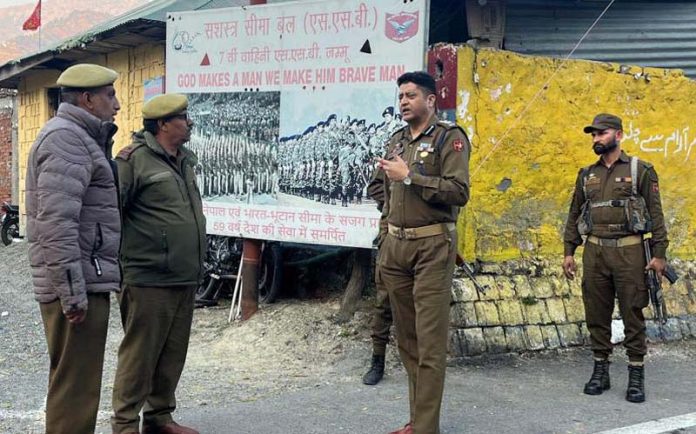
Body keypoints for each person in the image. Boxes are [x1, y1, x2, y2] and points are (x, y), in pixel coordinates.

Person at [25, 63, 121, 434]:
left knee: (75, 385)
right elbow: (57, 223)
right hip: (78, 281)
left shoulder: (80, 138)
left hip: (84, 276)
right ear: (87, 99)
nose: (117, 105)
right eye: (109, 96)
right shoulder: (67, 139)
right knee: (75, 390)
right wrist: (72, 293)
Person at [377, 71, 471, 434]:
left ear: (431, 100)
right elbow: (380, 187)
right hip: (396, 247)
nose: (403, 101)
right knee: (407, 340)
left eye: (411, 95)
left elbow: (458, 191)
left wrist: (411, 177)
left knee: (430, 343)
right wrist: (386, 227)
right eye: (400, 95)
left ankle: (425, 428)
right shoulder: (397, 141)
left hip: (432, 247)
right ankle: (417, 421)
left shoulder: (451, 138)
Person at [111, 94, 206, 434]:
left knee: (171, 354)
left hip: (183, 275)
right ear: (164, 124)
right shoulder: (132, 161)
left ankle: (159, 417)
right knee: (139, 356)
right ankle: (124, 425)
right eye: (183, 117)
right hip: (147, 277)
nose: (189, 122)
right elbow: (111, 216)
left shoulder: (184, 160)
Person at [563, 113, 669, 404]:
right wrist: (569, 251)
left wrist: (659, 255)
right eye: (593, 135)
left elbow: (656, 216)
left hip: (630, 252)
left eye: (602, 133)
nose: (596, 139)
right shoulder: (587, 174)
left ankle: (636, 374)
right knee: (596, 312)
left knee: (633, 312)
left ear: (619, 135)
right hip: (595, 251)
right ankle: (601, 370)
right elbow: (575, 213)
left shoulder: (640, 170)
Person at [362, 167, 393, 386]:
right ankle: (377, 360)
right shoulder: (396, 149)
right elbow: (374, 186)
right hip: (391, 236)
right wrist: (393, 201)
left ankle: (421, 363)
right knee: (384, 302)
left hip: (423, 239)